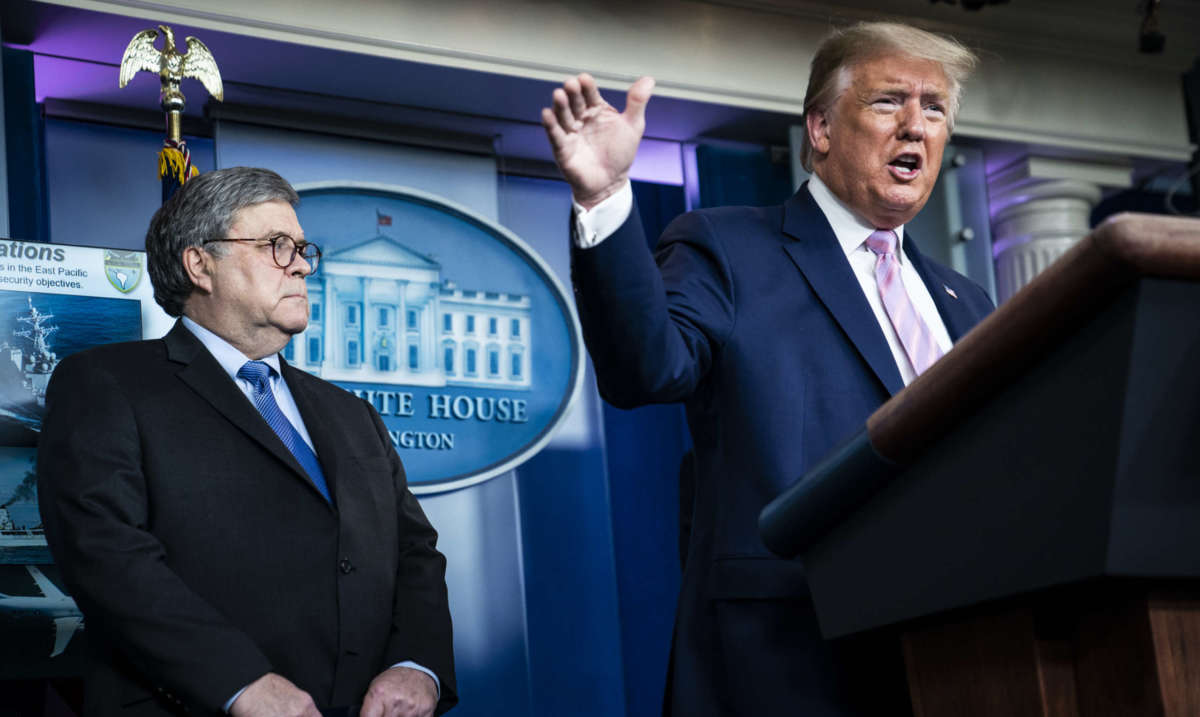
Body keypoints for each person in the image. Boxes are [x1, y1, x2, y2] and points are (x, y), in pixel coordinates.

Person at [542, 21, 994, 716]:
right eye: (887, 103)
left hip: (958, 653)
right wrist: (605, 201)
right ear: (820, 128)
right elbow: (644, 369)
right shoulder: (727, 247)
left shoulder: (966, 301)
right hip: (787, 662)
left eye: (933, 108)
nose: (915, 125)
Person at [37, 167, 456, 717]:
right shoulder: (107, 384)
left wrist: (417, 666)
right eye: (276, 246)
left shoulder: (352, 415)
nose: (302, 264)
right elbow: (107, 558)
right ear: (200, 264)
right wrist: (239, 683)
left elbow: (413, 553)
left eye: (303, 248)